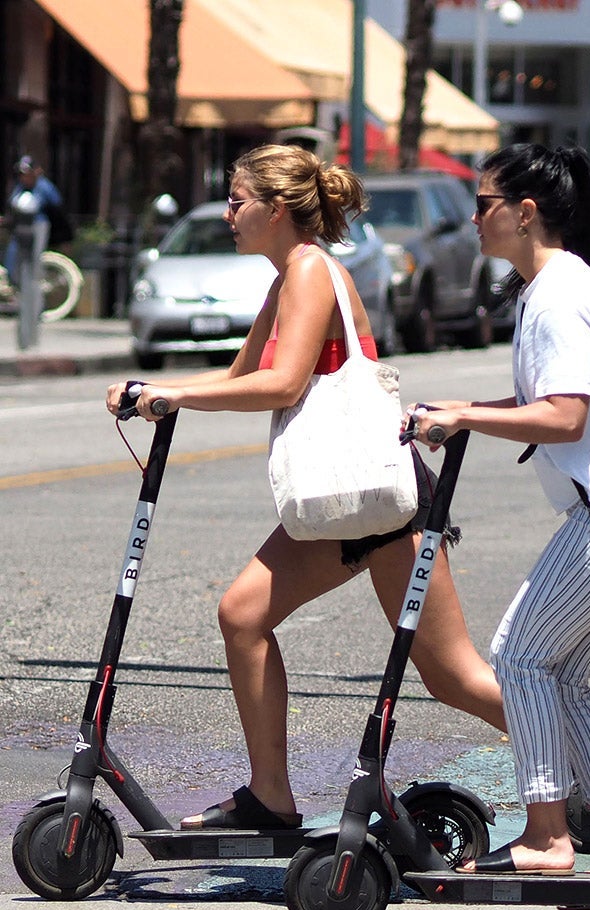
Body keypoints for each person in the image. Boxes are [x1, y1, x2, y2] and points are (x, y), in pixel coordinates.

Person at [104, 144, 507, 830]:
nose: (228, 214)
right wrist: (153, 391)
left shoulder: (312, 272)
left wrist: (173, 397)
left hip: (379, 500)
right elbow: (236, 380)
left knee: (453, 676)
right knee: (243, 614)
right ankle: (270, 797)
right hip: (339, 504)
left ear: (278, 208)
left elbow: (284, 383)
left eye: (238, 202)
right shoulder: (287, 276)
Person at [402, 143, 590, 877]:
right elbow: (540, 406)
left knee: (518, 658)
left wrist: (465, 419)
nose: (474, 217)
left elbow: (563, 418)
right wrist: (459, 410)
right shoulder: (557, 286)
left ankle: (547, 835)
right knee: (561, 675)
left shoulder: (557, 295)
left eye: (484, 203)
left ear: (525, 214)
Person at [5, 156, 63, 279]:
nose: (24, 177)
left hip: (38, 225)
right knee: (13, 257)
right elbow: (12, 205)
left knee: (35, 259)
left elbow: (57, 206)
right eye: (22, 174)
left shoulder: (43, 186)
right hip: (20, 227)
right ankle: (14, 284)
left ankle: (35, 284)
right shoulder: (19, 188)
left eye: (27, 173)